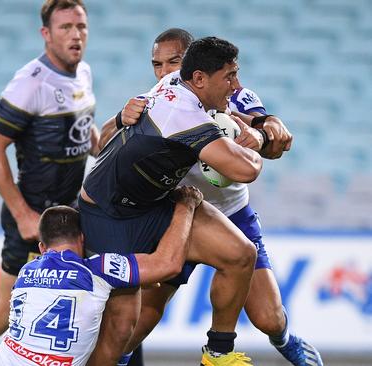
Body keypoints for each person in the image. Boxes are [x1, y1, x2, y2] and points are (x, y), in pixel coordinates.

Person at [101, 28, 322, 366]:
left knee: (268, 318)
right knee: (144, 315)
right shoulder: (158, 99)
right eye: (157, 65)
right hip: (180, 215)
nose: (164, 72)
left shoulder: (232, 94)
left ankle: (285, 339)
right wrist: (119, 118)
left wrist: (265, 131)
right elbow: (101, 142)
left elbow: (274, 138)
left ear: (196, 67)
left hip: (232, 212)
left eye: (173, 62)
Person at [81, 37, 262, 366]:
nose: (236, 85)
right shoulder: (182, 113)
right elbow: (243, 170)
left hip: (155, 201)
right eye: (230, 77)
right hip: (109, 213)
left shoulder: (174, 82)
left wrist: (256, 124)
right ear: (200, 79)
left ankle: (218, 354)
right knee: (121, 331)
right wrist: (256, 143)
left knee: (240, 254)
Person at [0, 1, 98, 364]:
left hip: (72, 214)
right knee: (4, 312)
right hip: (35, 219)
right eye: (65, 28)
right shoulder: (29, 83)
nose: (76, 35)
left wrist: (100, 146)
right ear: (46, 34)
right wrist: (23, 213)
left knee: (112, 299)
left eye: (81, 26)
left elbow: (82, 123)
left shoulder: (83, 72)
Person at [0, 185, 204, 366]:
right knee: (125, 304)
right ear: (83, 239)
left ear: (41, 248)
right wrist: (187, 203)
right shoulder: (98, 270)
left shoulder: (27, 272)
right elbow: (169, 264)